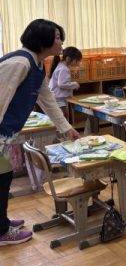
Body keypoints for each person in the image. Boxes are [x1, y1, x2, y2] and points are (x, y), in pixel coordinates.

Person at [0, 19, 80, 246]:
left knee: (4, 177)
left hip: (6, 134)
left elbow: (48, 100)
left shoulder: (37, 65)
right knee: (2, 178)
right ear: (42, 40)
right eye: (57, 37)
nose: (61, 42)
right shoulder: (20, 63)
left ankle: (2, 222)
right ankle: (2, 232)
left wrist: (67, 128)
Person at [48, 46, 82, 119]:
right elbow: (62, 84)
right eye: (77, 61)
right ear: (68, 59)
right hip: (58, 100)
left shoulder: (60, 66)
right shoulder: (64, 69)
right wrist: (75, 84)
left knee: (60, 119)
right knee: (62, 119)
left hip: (56, 98)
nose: (77, 63)